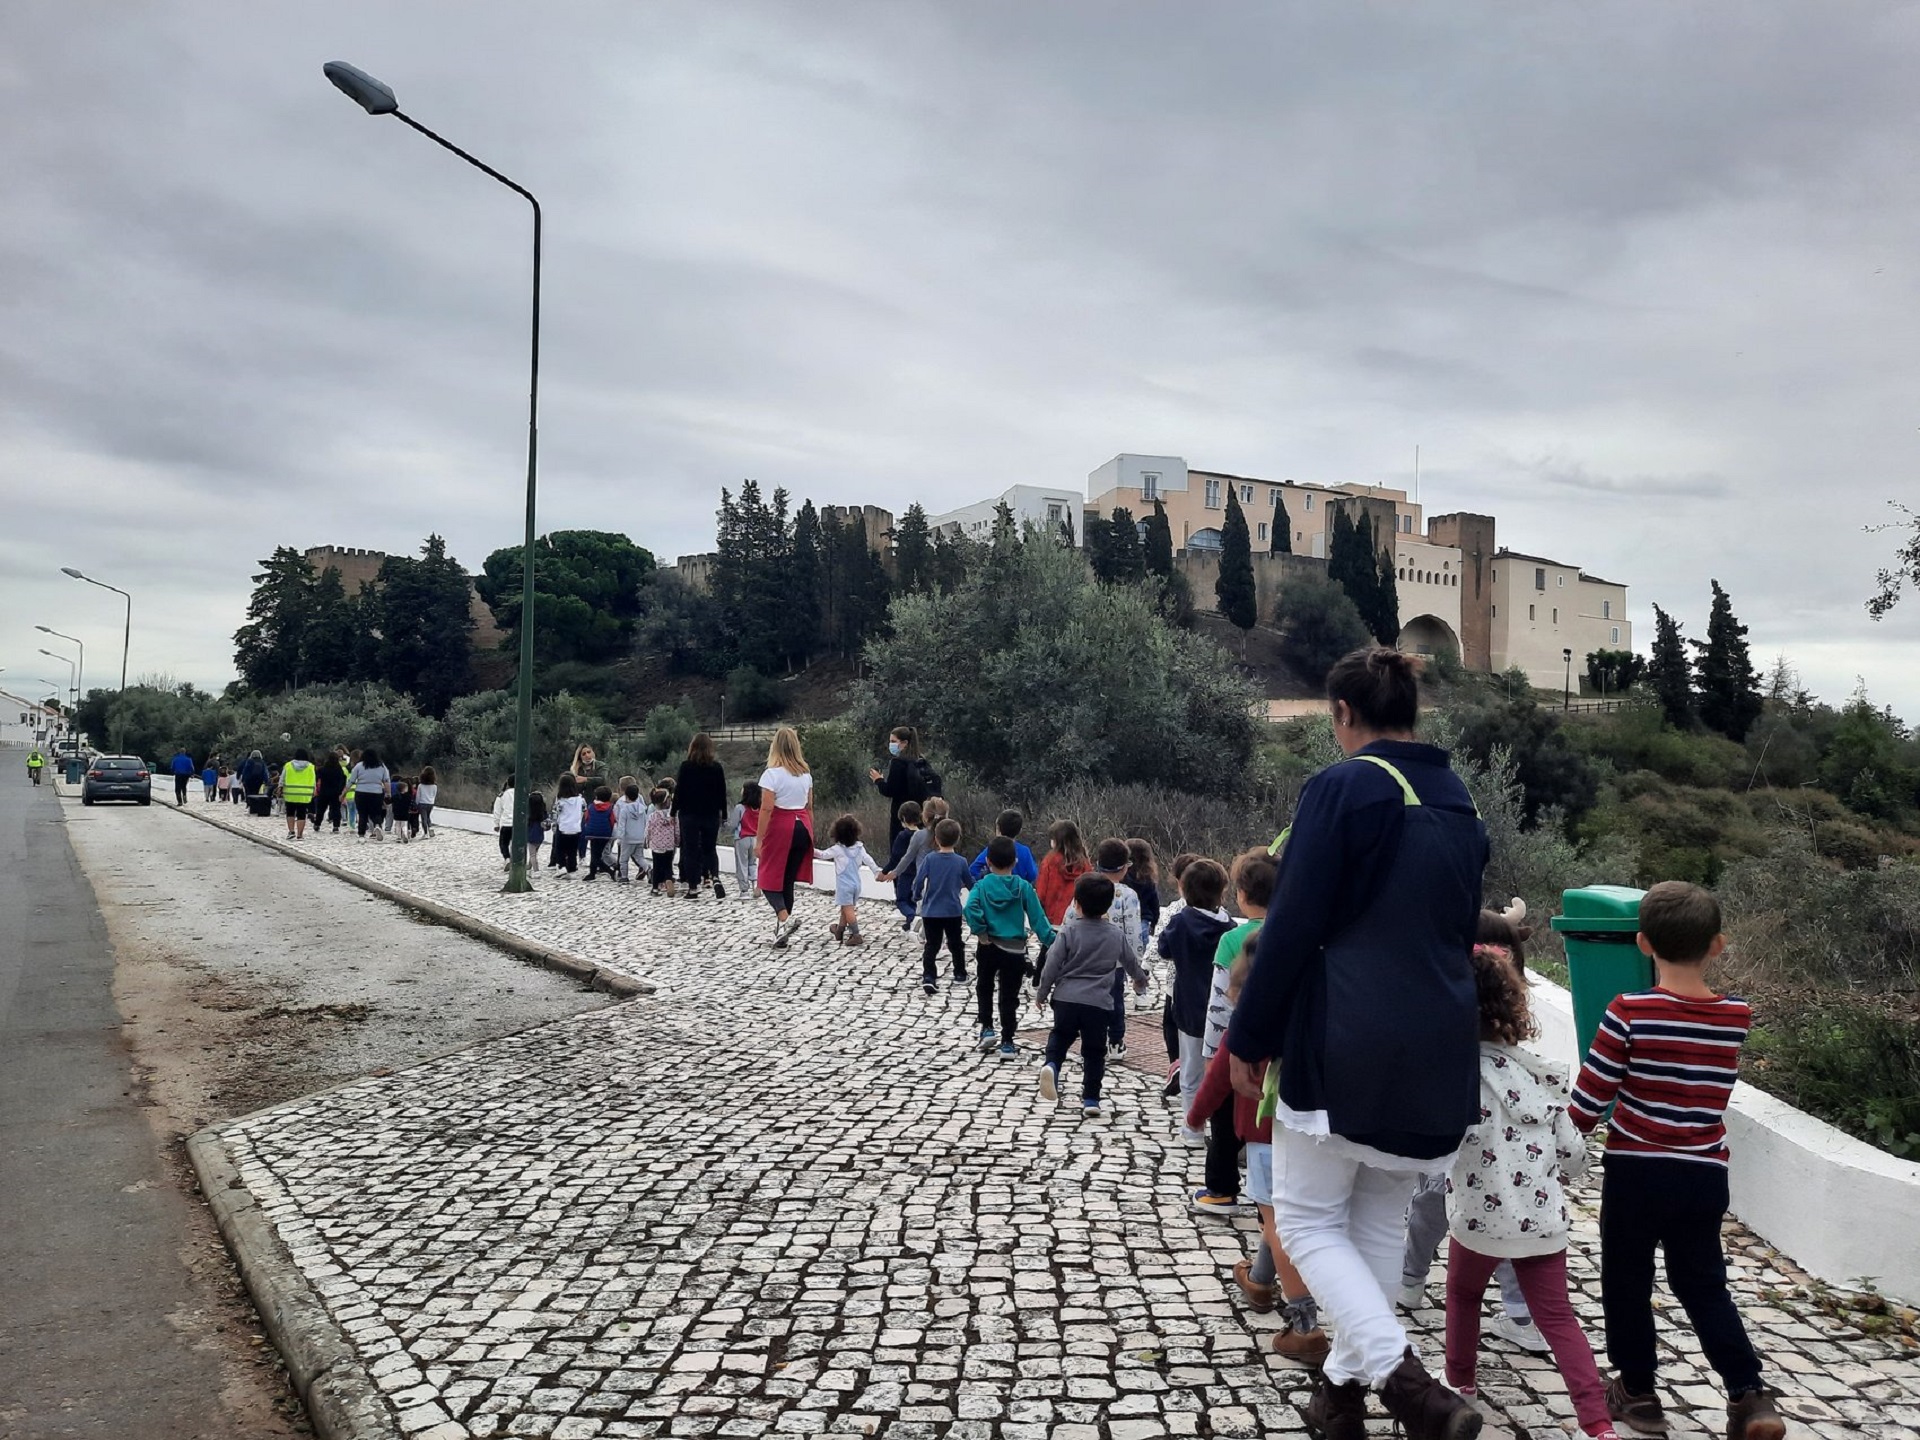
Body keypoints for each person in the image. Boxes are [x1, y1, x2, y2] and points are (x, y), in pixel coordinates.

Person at [1226, 646, 1489, 1440]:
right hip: (1440, 1040)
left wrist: (1252, 1032)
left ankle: (1413, 1391)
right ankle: (1340, 1401)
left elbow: (1294, 923)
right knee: (1375, 1222)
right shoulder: (1461, 800)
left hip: (1346, 1036)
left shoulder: (1343, 786)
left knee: (1305, 1221)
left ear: (1344, 714)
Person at [1569, 882, 1786, 1440]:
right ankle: (1749, 1396)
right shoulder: (1735, 1016)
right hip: (1703, 1173)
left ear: (1642, 943)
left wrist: (1562, 1138)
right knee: (1704, 1283)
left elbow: (1592, 1096)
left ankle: (1638, 1392)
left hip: (1638, 1171)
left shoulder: (1630, 1010)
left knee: (1627, 1278)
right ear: (1718, 945)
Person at [1444, 941, 1618, 1440]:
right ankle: (1598, 1423)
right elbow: (1574, 1157)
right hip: (1542, 1222)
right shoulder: (1539, 1077)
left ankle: (1461, 1384)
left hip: (1478, 1221)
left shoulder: (1456, 1079)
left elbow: (1440, 1152)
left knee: (1463, 1294)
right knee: (1559, 1317)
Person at [1401, 902, 1551, 1354]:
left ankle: (1411, 1279)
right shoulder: (1510, 1002)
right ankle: (1521, 1313)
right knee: (1502, 1216)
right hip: (1504, 1144)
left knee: (1435, 1205)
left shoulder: (1441, 994)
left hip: (1460, 1133)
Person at [1191, 935, 1329, 1365]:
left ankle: (1305, 1324)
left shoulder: (1247, 1030)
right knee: (1274, 1214)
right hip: (1312, 1135)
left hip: (1265, 1140)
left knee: (1277, 1223)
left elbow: (1216, 1080)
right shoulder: (1313, 1022)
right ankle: (1258, 1279)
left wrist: (1195, 1117)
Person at [1191, 848, 1275, 1215]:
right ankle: (1267, 1206)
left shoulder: (1231, 940)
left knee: (1222, 1122)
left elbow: (1219, 1003)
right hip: (1278, 1051)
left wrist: (1211, 1053)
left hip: (1238, 1045)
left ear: (1240, 894)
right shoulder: (1292, 935)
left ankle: (1221, 1189)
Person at [1035, 872, 1149, 1117]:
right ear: (1108, 905)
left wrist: (1042, 993)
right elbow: (1131, 963)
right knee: (1094, 1051)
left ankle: (1052, 1065)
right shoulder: (1115, 934)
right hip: (1099, 1004)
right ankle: (1091, 1099)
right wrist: (1140, 981)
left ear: (1076, 903)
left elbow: (1052, 965)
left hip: (1066, 999)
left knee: (1060, 1036)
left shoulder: (1068, 931)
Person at [1159, 857, 1235, 1146]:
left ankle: (1193, 1127)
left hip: (1188, 1007)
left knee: (1190, 1070)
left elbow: (1164, 950)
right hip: (1223, 1008)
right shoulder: (1228, 927)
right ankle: (1222, 1127)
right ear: (1222, 892)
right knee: (1219, 1070)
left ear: (1184, 890)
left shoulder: (1180, 923)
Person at [963, 835, 1055, 1059]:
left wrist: (981, 931)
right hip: (1015, 950)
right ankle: (1007, 1041)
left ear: (988, 863)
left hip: (989, 946)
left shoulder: (982, 886)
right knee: (1009, 995)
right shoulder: (1023, 888)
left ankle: (986, 1028)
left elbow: (969, 908)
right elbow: (1037, 919)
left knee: (984, 987)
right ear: (1015, 862)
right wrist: (1053, 942)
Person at [754, 727, 815, 948]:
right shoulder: (805, 774)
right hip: (802, 827)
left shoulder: (772, 774)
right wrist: (811, 833)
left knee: (767, 877)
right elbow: (809, 807)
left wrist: (759, 840)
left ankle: (783, 917)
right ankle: (782, 934)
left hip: (781, 827)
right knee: (787, 880)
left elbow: (767, 809)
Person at [913, 818, 970, 993]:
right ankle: (960, 973)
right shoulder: (961, 862)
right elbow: (969, 883)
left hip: (931, 911)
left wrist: (916, 895)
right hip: (952, 911)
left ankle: (929, 975)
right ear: (958, 838)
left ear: (936, 838)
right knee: (955, 943)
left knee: (932, 945)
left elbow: (919, 881)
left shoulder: (930, 859)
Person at [673, 733, 729, 899]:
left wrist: (672, 812)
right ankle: (716, 877)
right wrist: (724, 814)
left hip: (689, 814)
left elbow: (679, 791)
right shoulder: (717, 768)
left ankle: (693, 886)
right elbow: (722, 792)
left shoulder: (686, 767)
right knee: (710, 849)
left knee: (690, 850)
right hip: (711, 814)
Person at [816, 813, 882, 946]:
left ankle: (856, 934)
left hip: (844, 885)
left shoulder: (837, 849)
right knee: (845, 908)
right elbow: (868, 860)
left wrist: (809, 850)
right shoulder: (859, 848)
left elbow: (823, 855)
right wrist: (877, 871)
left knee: (848, 910)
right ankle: (839, 930)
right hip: (856, 884)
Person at [868, 725, 934, 845]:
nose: (891, 745)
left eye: (893, 741)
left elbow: (890, 790)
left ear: (904, 743)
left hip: (901, 816)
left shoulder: (898, 763)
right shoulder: (921, 761)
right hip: (920, 815)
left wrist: (879, 781)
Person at [1035, 820, 1092, 935]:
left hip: (1052, 921)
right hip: (1079, 921)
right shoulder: (1085, 864)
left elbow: (1041, 893)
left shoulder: (1049, 861)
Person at [877, 801, 924, 931]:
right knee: (913, 899)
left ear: (903, 818)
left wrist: (884, 872)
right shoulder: (924, 836)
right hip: (919, 872)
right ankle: (911, 922)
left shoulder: (902, 836)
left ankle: (911, 917)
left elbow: (895, 859)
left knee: (902, 900)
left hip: (905, 873)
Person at [967, 810, 1038, 885]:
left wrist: (984, 878)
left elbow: (973, 870)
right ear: (1019, 830)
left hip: (994, 890)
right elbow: (1033, 875)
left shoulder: (992, 850)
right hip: (1018, 892)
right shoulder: (1024, 851)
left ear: (998, 829)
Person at [1126, 839, 1161, 952]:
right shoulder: (1148, 879)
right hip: (1143, 921)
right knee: (1140, 957)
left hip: (1123, 920)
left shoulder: (1122, 877)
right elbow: (1154, 904)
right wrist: (1155, 922)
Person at [349, 748, 391, 840]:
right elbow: (386, 781)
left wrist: (343, 793)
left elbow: (351, 781)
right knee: (376, 812)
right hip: (377, 792)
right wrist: (388, 794)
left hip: (361, 792)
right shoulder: (382, 767)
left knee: (362, 814)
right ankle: (377, 825)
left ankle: (361, 835)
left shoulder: (359, 766)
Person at [729, 781, 762, 896]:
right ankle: (755, 884)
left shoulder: (740, 807)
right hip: (755, 838)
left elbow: (733, 824)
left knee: (742, 863)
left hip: (742, 838)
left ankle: (744, 890)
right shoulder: (760, 808)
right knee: (752, 863)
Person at [645, 787, 679, 895]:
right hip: (669, 845)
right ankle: (668, 880)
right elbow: (677, 830)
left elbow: (648, 830)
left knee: (657, 865)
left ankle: (655, 888)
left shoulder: (652, 816)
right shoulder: (673, 817)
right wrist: (677, 842)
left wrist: (646, 841)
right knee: (668, 865)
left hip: (656, 845)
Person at [279, 748, 317, 841]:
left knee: (290, 813)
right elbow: (313, 779)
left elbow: (282, 778)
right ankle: (300, 835)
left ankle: (291, 831)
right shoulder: (311, 766)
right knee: (301, 814)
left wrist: (280, 787)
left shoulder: (288, 765)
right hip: (304, 794)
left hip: (290, 793)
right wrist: (314, 790)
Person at [582, 785, 618, 880]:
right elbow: (612, 820)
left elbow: (586, 818)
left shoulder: (591, 807)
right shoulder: (610, 808)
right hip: (605, 834)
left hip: (593, 833)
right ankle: (592, 873)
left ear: (596, 796)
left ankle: (610, 871)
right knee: (596, 854)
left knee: (595, 856)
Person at [615, 781, 648, 883]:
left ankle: (624, 876)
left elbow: (621, 825)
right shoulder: (642, 809)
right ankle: (648, 868)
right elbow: (645, 823)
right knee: (639, 857)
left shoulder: (624, 810)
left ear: (626, 795)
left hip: (627, 838)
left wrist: (619, 838)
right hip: (639, 837)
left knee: (623, 859)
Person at [552, 773, 584, 876]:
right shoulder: (580, 799)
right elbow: (584, 809)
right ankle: (572, 868)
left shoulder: (560, 800)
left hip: (563, 827)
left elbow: (556, 812)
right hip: (576, 828)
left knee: (559, 849)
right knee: (572, 850)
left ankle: (562, 866)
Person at [314, 750, 347, 833]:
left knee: (321, 809)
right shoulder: (339, 770)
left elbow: (317, 777)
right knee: (336, 809)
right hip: (335, 792)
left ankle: (317, 824)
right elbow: (344, 779)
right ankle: (336, 826)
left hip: (324, 792)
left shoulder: (323, 769)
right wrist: (340, 790)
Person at [492, 777, 517, 869]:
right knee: (517, 843)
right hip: (519, 824)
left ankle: (507, 859)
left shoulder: (502, 795)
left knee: (503, 843)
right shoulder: (524, 794)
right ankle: (518, 860)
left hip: (506, 823)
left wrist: (496, 824)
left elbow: (497, 810)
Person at [526, 790, 549, 871]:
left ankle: (536, 870)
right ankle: (529, 866)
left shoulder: (529, 814)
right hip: (540, 836)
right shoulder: (543, 814)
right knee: (535, 852)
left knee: (532, 855)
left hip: (531, 835)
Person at [389, 776, 416, 842]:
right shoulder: (408, 797)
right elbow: (411, 803)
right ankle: (405, 834)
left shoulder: (395, 796)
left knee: (397, 825)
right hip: (405, 812)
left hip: (396, 812)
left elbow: (389, 801)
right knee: (404, 825)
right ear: (404, 789)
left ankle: (398, 837)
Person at [415, 766, 438, 838]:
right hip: (430, 803)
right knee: (428, 817)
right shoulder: (434, 786)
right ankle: (430, 827)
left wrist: (416, 803)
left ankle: (425, 833)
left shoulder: (420, 786)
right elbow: (434, 795)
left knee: (423, 818)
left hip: (422, 803)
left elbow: (418, 796)